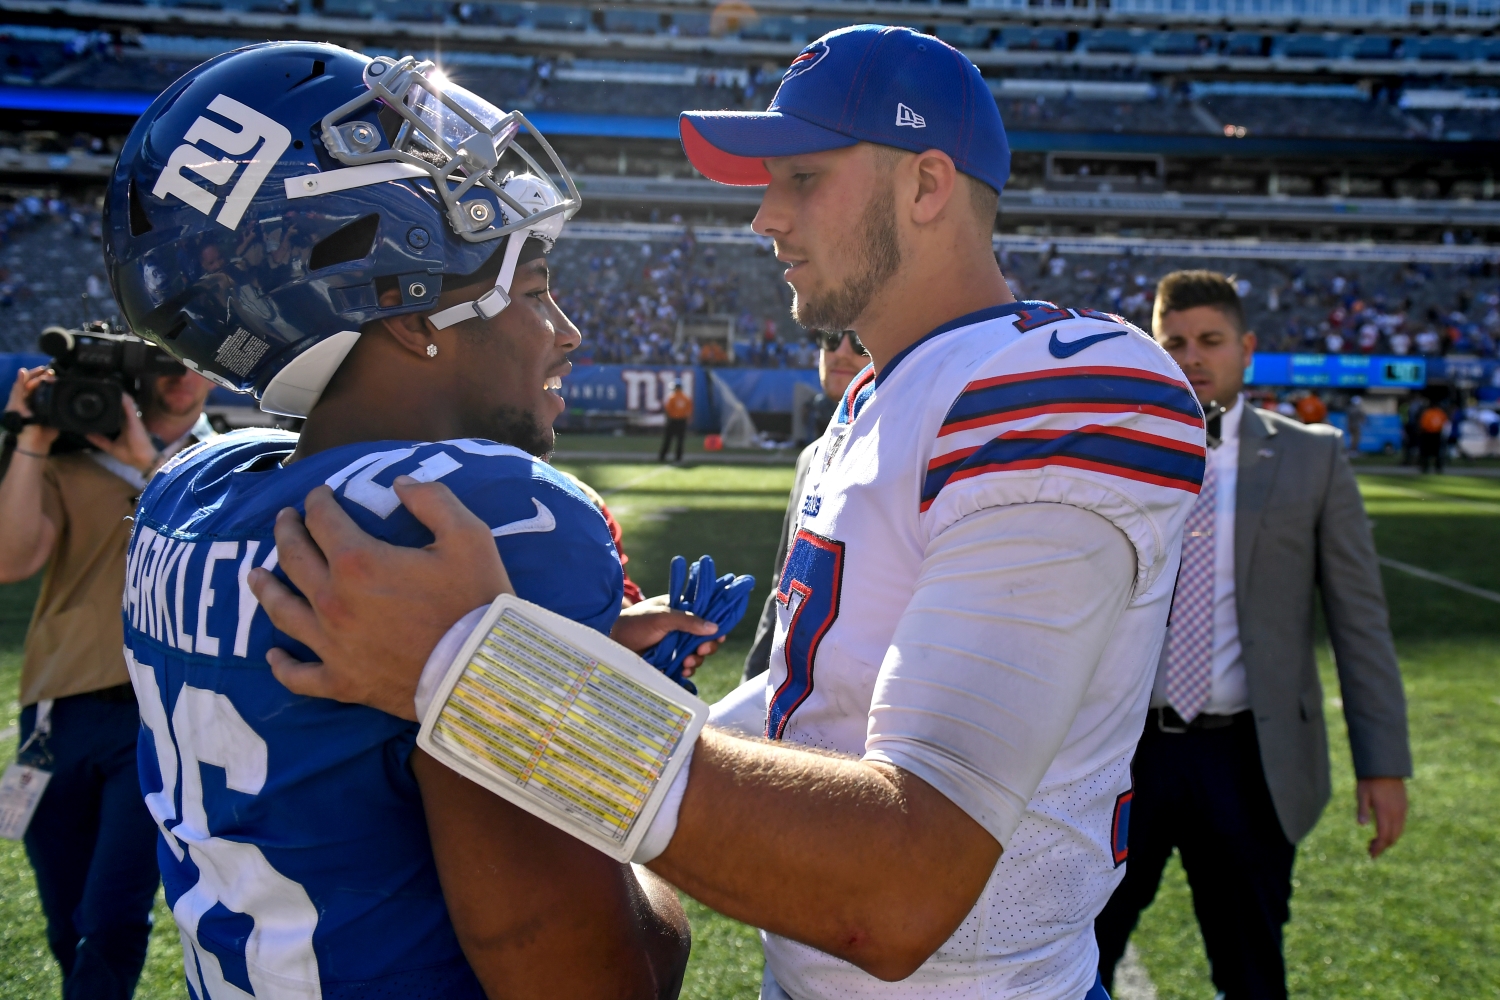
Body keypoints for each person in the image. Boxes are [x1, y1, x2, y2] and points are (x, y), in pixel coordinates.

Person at [250, 26, 1207, 1000]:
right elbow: (823, 718)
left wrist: (486, 676)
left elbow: (904, 885)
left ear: (926, 186)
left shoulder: (1059, 388)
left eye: (800, 179)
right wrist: (645, 691)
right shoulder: (871, 405)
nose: (762, 219)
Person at [104, 42, 700, 998]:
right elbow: (602, 979)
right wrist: (594, 734)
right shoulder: (484, 520)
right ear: (413, 316)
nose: (569, 333)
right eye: (537, 288)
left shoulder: (184, 495)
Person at [1093, 270, 1411, 1000]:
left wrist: (1382, 761)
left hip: (1250, 757)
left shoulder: (1312, 456)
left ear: (1247, 349)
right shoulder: (1113, 452)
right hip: (1123, 753)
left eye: (1211, 341)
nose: (1193, 357)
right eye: (1174, 342)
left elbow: (1360, 618)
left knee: (1250, 966)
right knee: (1080, 955)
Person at [0, 360, 212, 1000]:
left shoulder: (222, 466)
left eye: (191, 362)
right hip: (58, 711)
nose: (176, 375)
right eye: (161, 363)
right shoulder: (66, 460)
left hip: (158, 712)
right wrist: (30, 438)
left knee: (112, 912)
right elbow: (12, 561)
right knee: (64, 913)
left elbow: (215, 557)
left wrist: (151, 462)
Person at [743, 327, 868, 681]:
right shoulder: (811, 456)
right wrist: (754, 678)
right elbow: (783, 586)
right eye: (831, 338)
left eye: (858, 340)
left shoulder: (909, 450)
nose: (841, 352)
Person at [659, 380, 693, 462]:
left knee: (668, 439)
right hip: (682, 421)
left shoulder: (671, 397)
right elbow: (688, 411)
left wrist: (668, 420)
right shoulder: (686, 398)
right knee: (680, 441)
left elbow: (667, 410)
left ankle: (662, 457)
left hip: (672, 420)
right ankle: (678, 457)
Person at [1416, 398, 1449, 473]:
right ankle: (1437, 468)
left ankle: (1426, 467)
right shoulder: (1439, 413)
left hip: (1429, 434)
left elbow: (1422, 425)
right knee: (1436, 453)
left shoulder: (1428, 413)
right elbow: (1445, 424)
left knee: (1427, 453)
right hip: (1435, 434)